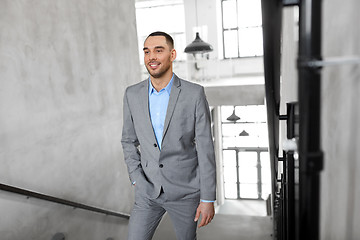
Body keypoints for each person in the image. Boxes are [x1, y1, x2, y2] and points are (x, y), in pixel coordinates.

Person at [121, 31, 216, 240]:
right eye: (147, 51)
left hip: (185, 192)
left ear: (172, 55)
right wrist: (136, 179)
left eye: (158, 50)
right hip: (147, 191)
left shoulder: (194, 94)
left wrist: (208, 198)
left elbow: (205, 148)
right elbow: (128, 140)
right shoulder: (132, 94)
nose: (151, 57)